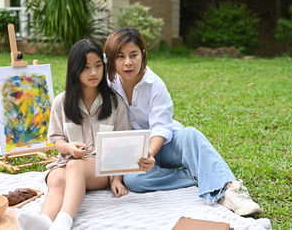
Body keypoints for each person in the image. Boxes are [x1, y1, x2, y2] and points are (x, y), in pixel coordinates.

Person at [104, 27, 262, 216]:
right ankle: (194, 176)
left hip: (164, 144)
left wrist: (150, 153)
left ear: (143, 54)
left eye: (133, 55)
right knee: (135, 181)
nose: (128, 62)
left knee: (191, 135)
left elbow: (162, 127)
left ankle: (230, 189)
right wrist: (116, 176)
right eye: (120, 57)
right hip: (134, 149)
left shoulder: (155, 85)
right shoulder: (108, 83)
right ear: (112, 59)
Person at [17, 39, 131, 230]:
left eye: (98, 66)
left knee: (75, 166)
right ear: (75, 70)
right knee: (56, 179)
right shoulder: (61, 102)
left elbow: (121, 145)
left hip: (99, 168)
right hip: (66, 162)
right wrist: (69, 147)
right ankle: (44, 222)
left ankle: (64, 220)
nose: (94, 73)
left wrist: (117, 179)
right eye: (86, 68)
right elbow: (57, 140)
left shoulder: (114, 102)